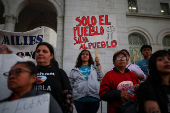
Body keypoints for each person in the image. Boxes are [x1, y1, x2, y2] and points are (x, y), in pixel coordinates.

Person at [34, 42, 73, 113]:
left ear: (51, 55)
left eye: (44, 51)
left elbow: (68, 96)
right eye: (38, 51)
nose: (40, 53)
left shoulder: (60, 72)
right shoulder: (28, 72)